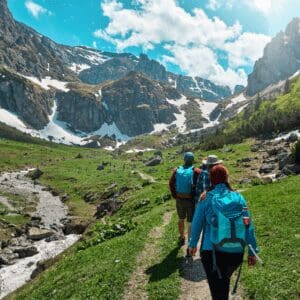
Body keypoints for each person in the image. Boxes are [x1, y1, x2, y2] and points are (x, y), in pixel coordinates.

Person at [188, 165, 258, 300]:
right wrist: (252, 251)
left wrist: (192, 244)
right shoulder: (238, 197)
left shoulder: (205, 198)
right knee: (224, 281)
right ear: (227, 178)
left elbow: (196, 223)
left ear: (211, 180)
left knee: (217, 289)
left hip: (211, 252)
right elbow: (248, 225)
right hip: (235, 252)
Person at [169, 152, 201, 246]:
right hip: (190, 199)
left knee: (180, 218)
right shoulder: (196, 171)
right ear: (193, 160)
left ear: (184, 159)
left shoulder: (177, 170)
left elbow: (171, 184)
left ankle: (182, 237)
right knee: (190, 222)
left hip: (179, 199)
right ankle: (190, 242)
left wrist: (175, 195)